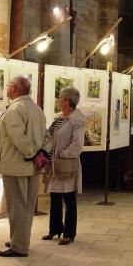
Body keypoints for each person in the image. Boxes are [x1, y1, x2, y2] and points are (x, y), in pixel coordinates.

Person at [0, 76, 48, 257]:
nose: (6, 88)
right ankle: (20, 239)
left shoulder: (16, 109)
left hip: (17, 165)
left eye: (8, 85)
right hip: (31, 166)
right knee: (26, 205)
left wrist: (31, 154)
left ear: (15, 88)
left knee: (17, 206)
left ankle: (18, 246)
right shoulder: (36, 108)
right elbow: (46, 137)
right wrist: (40, 155)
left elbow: (19, 138)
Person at [42, 87, 86, 245]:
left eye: (60, 98)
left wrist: (63, 154)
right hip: (54, 164)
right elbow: (49, 136)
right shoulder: (59, 118)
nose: (58, 100)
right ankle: (55, 229)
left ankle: (69, 233)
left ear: (67, 101)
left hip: (66, 165)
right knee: (54, 196)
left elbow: (77, 145)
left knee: (69, 198)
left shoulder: (77, 120)